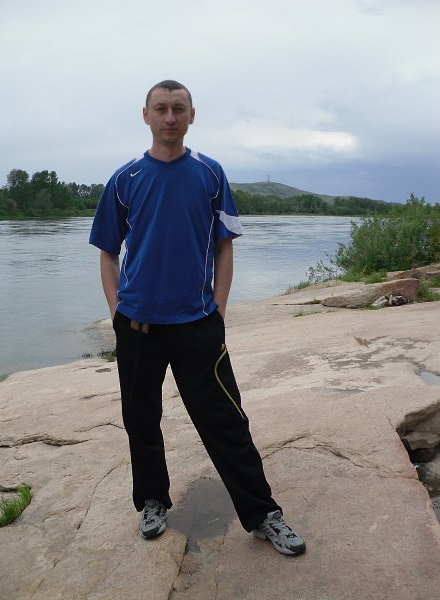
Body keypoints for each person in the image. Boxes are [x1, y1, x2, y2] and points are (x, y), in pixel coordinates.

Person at [89, 80, 306, 556]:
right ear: (145, 115)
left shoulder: (210, 173)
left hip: (197, 324)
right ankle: (152, 501)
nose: (169, 117)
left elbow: (225, 246)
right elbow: (107, 252)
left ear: (191, 115)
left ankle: (263, 515)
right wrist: (116, 310)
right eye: (161, 108)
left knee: (226, 421)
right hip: (138, 326)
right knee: (141, 419)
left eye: (178, 108)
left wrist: (219, 308)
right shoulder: (124, 179)